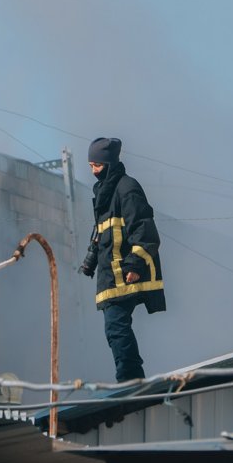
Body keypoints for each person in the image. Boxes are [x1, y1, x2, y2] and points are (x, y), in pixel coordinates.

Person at [79, 137, 165, 381]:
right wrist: (91, 259)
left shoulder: (127, 188)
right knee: (114, 329)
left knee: (116, 327)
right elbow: (102, 233)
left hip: (125, 272)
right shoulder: (103, 193)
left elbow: (145, 231)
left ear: (108, 163)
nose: (93, 171)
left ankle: (130, 379)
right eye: (90, 165)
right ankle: (129, 376)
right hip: (110, 275)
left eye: (97, 165)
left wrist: (135, 265)